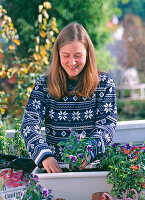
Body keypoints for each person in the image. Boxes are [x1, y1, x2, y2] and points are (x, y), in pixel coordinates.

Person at [21, 22, 117, 173]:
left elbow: (107, 125)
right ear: (58, 54)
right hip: (55, 169)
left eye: (78, 56)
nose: (72, 62)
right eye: (66, 56)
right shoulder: (43, 85)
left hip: (95, 169)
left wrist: (88, 151)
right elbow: (29, 124)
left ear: (87, 54)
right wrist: (44, 155)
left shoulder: (104, 84)